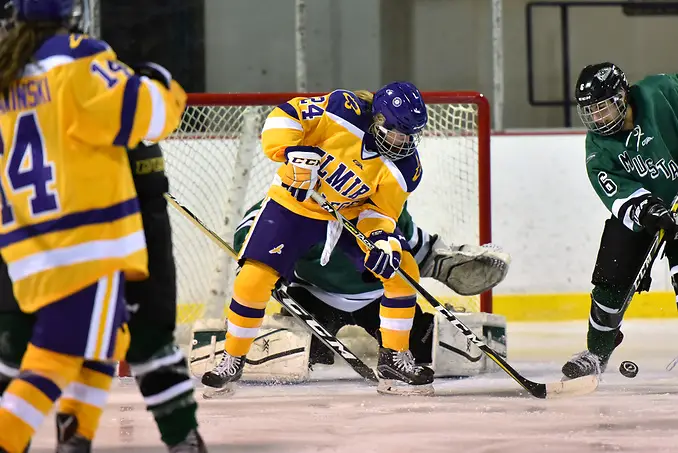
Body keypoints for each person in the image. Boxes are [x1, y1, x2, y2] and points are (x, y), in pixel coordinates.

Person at [0, 0, 186, 451]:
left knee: (107, 336)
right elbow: (151, 116)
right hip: (87, 245)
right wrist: (159, 81)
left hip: (27, 248)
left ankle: (76, 437)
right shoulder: (78, 57)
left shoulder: (9, 73)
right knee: (54, 359)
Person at [201, 82, 435, 396]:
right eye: (398, 133)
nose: (404, 142)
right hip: (293, 205)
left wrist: (381, 238)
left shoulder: (408, 168)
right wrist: (292, 153)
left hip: (346, 216)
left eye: (411, 135)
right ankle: (233, 357)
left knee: (403, 271)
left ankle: (394, 356)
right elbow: (284, 117)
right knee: (253, 279)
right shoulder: (342, 110)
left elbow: (380, 211)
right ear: (379, 120)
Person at [229, 199, 510, 370]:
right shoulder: (299, 198)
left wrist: (442, 263)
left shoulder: (385, 201)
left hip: (379, 299)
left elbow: (409, 246)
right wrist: (260, 259)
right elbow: (256, 225)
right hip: (312, 296)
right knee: (301, 355)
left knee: (423, 350)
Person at [562, 62, 678, 379]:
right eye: (591, 111)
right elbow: (618, 195)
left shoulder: (662, 92)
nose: (597, 118)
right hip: (648, 213)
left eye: (602, 108)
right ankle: (597, 353)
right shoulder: (597, 146)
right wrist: (648, 210)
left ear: (622, 95)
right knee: (611, 276)